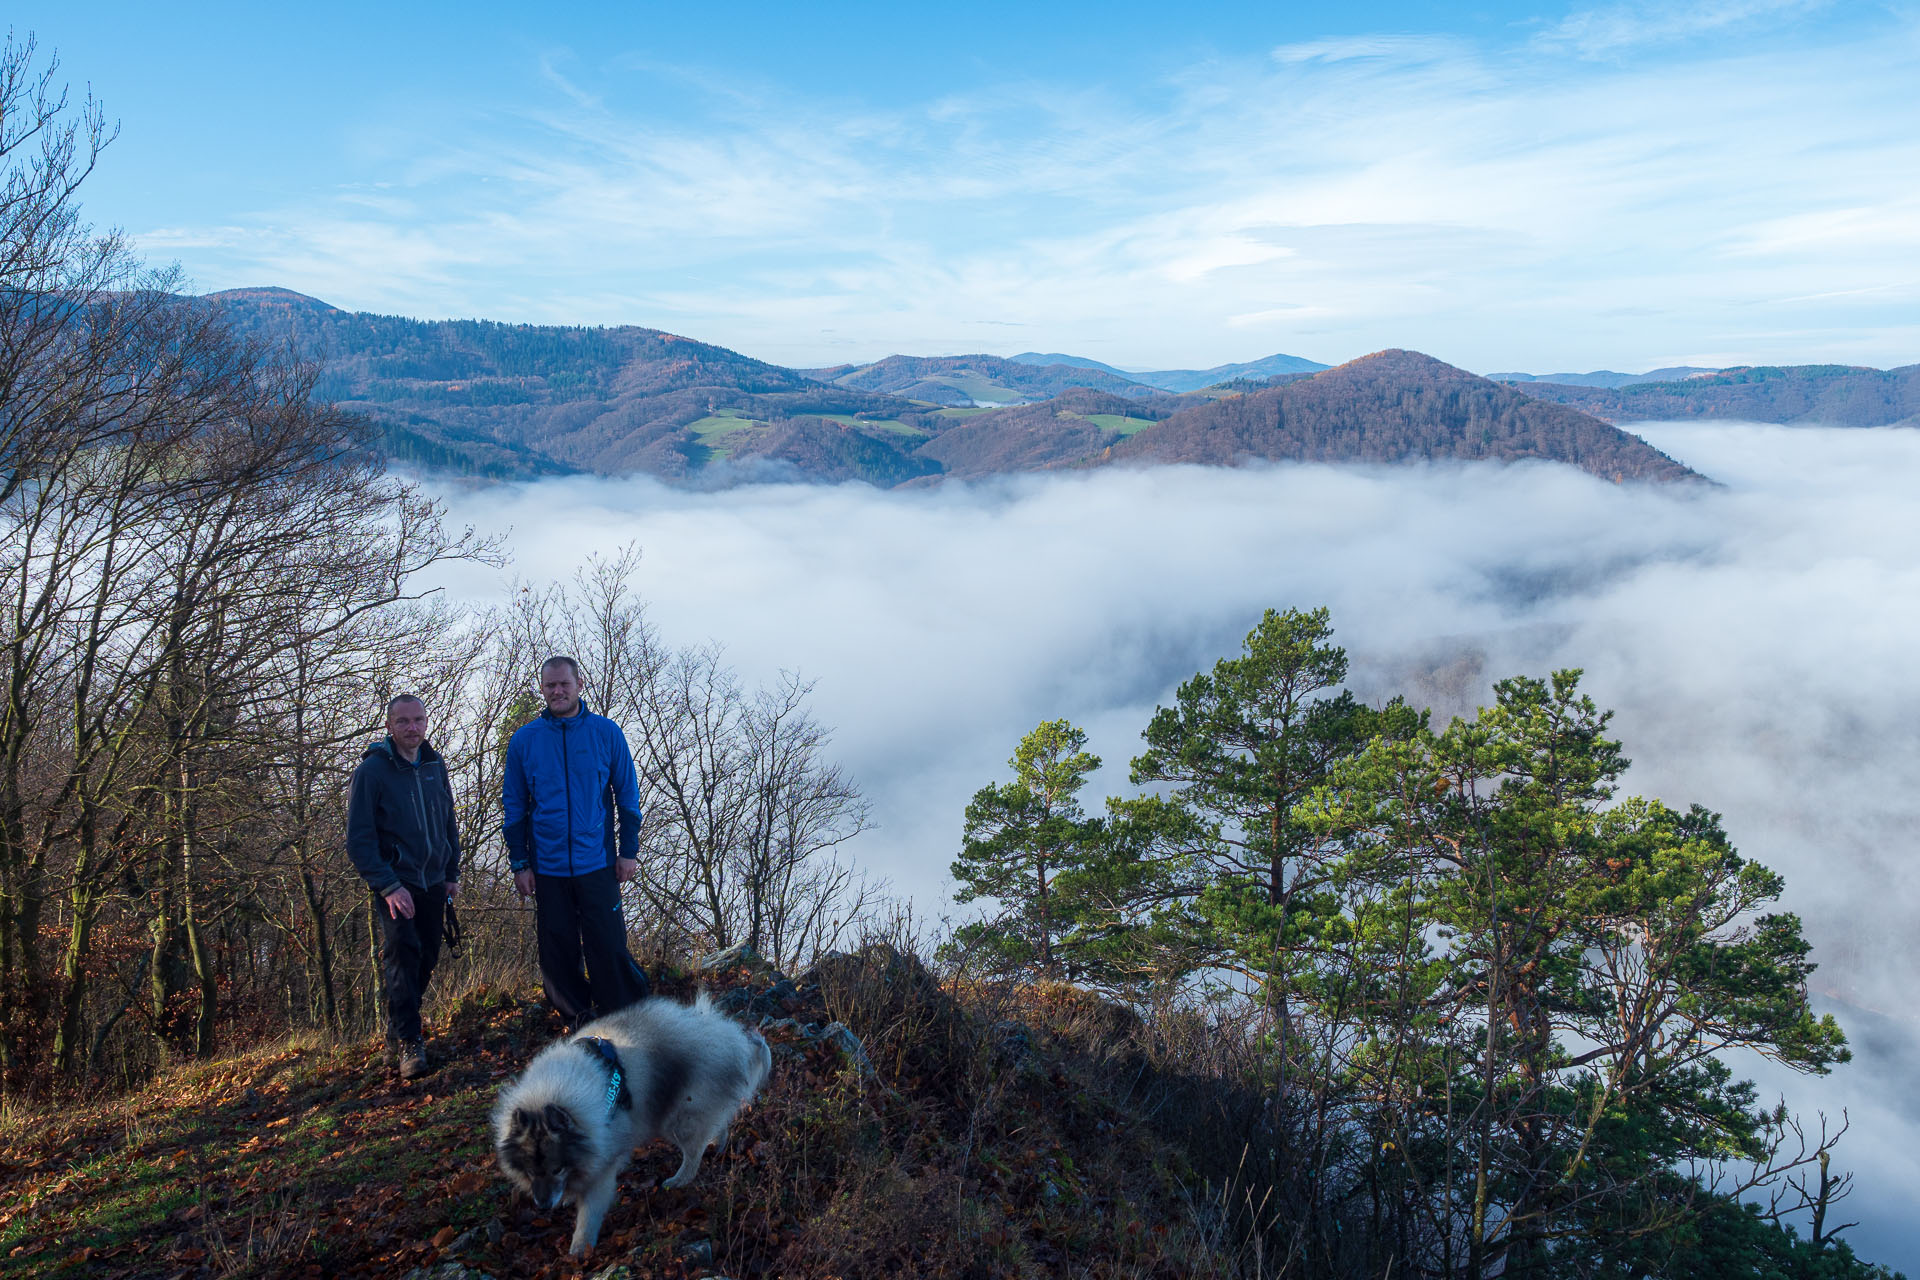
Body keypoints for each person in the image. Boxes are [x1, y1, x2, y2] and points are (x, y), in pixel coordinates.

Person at [503, 656, 651, 1030]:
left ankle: (621, 1014)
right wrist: (520, 863)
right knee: (557, 951)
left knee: (609, 945)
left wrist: (628, 852)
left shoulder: (606, 732)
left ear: (579, 684)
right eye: (550, 685)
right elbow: (515, 806)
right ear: (542, 688)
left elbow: (627, 796)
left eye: (564, 684)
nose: (557, 691)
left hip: (597, 863)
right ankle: (577, 1016)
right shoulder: (524, 741)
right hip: (548, 867)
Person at [346, 693, 461, 1080]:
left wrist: (452, 872)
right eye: (403, 722)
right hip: (397, 884)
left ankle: (397, 1029)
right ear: (389, 726)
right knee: (402, 957)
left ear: (426, 722)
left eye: (418, 720)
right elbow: (359, 840)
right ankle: (411, 1043)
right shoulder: (372, 772)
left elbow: (447, 821)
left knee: (427, 956)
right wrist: (389, 886)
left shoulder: (433, 764)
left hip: (433, 880)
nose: (412, 728)